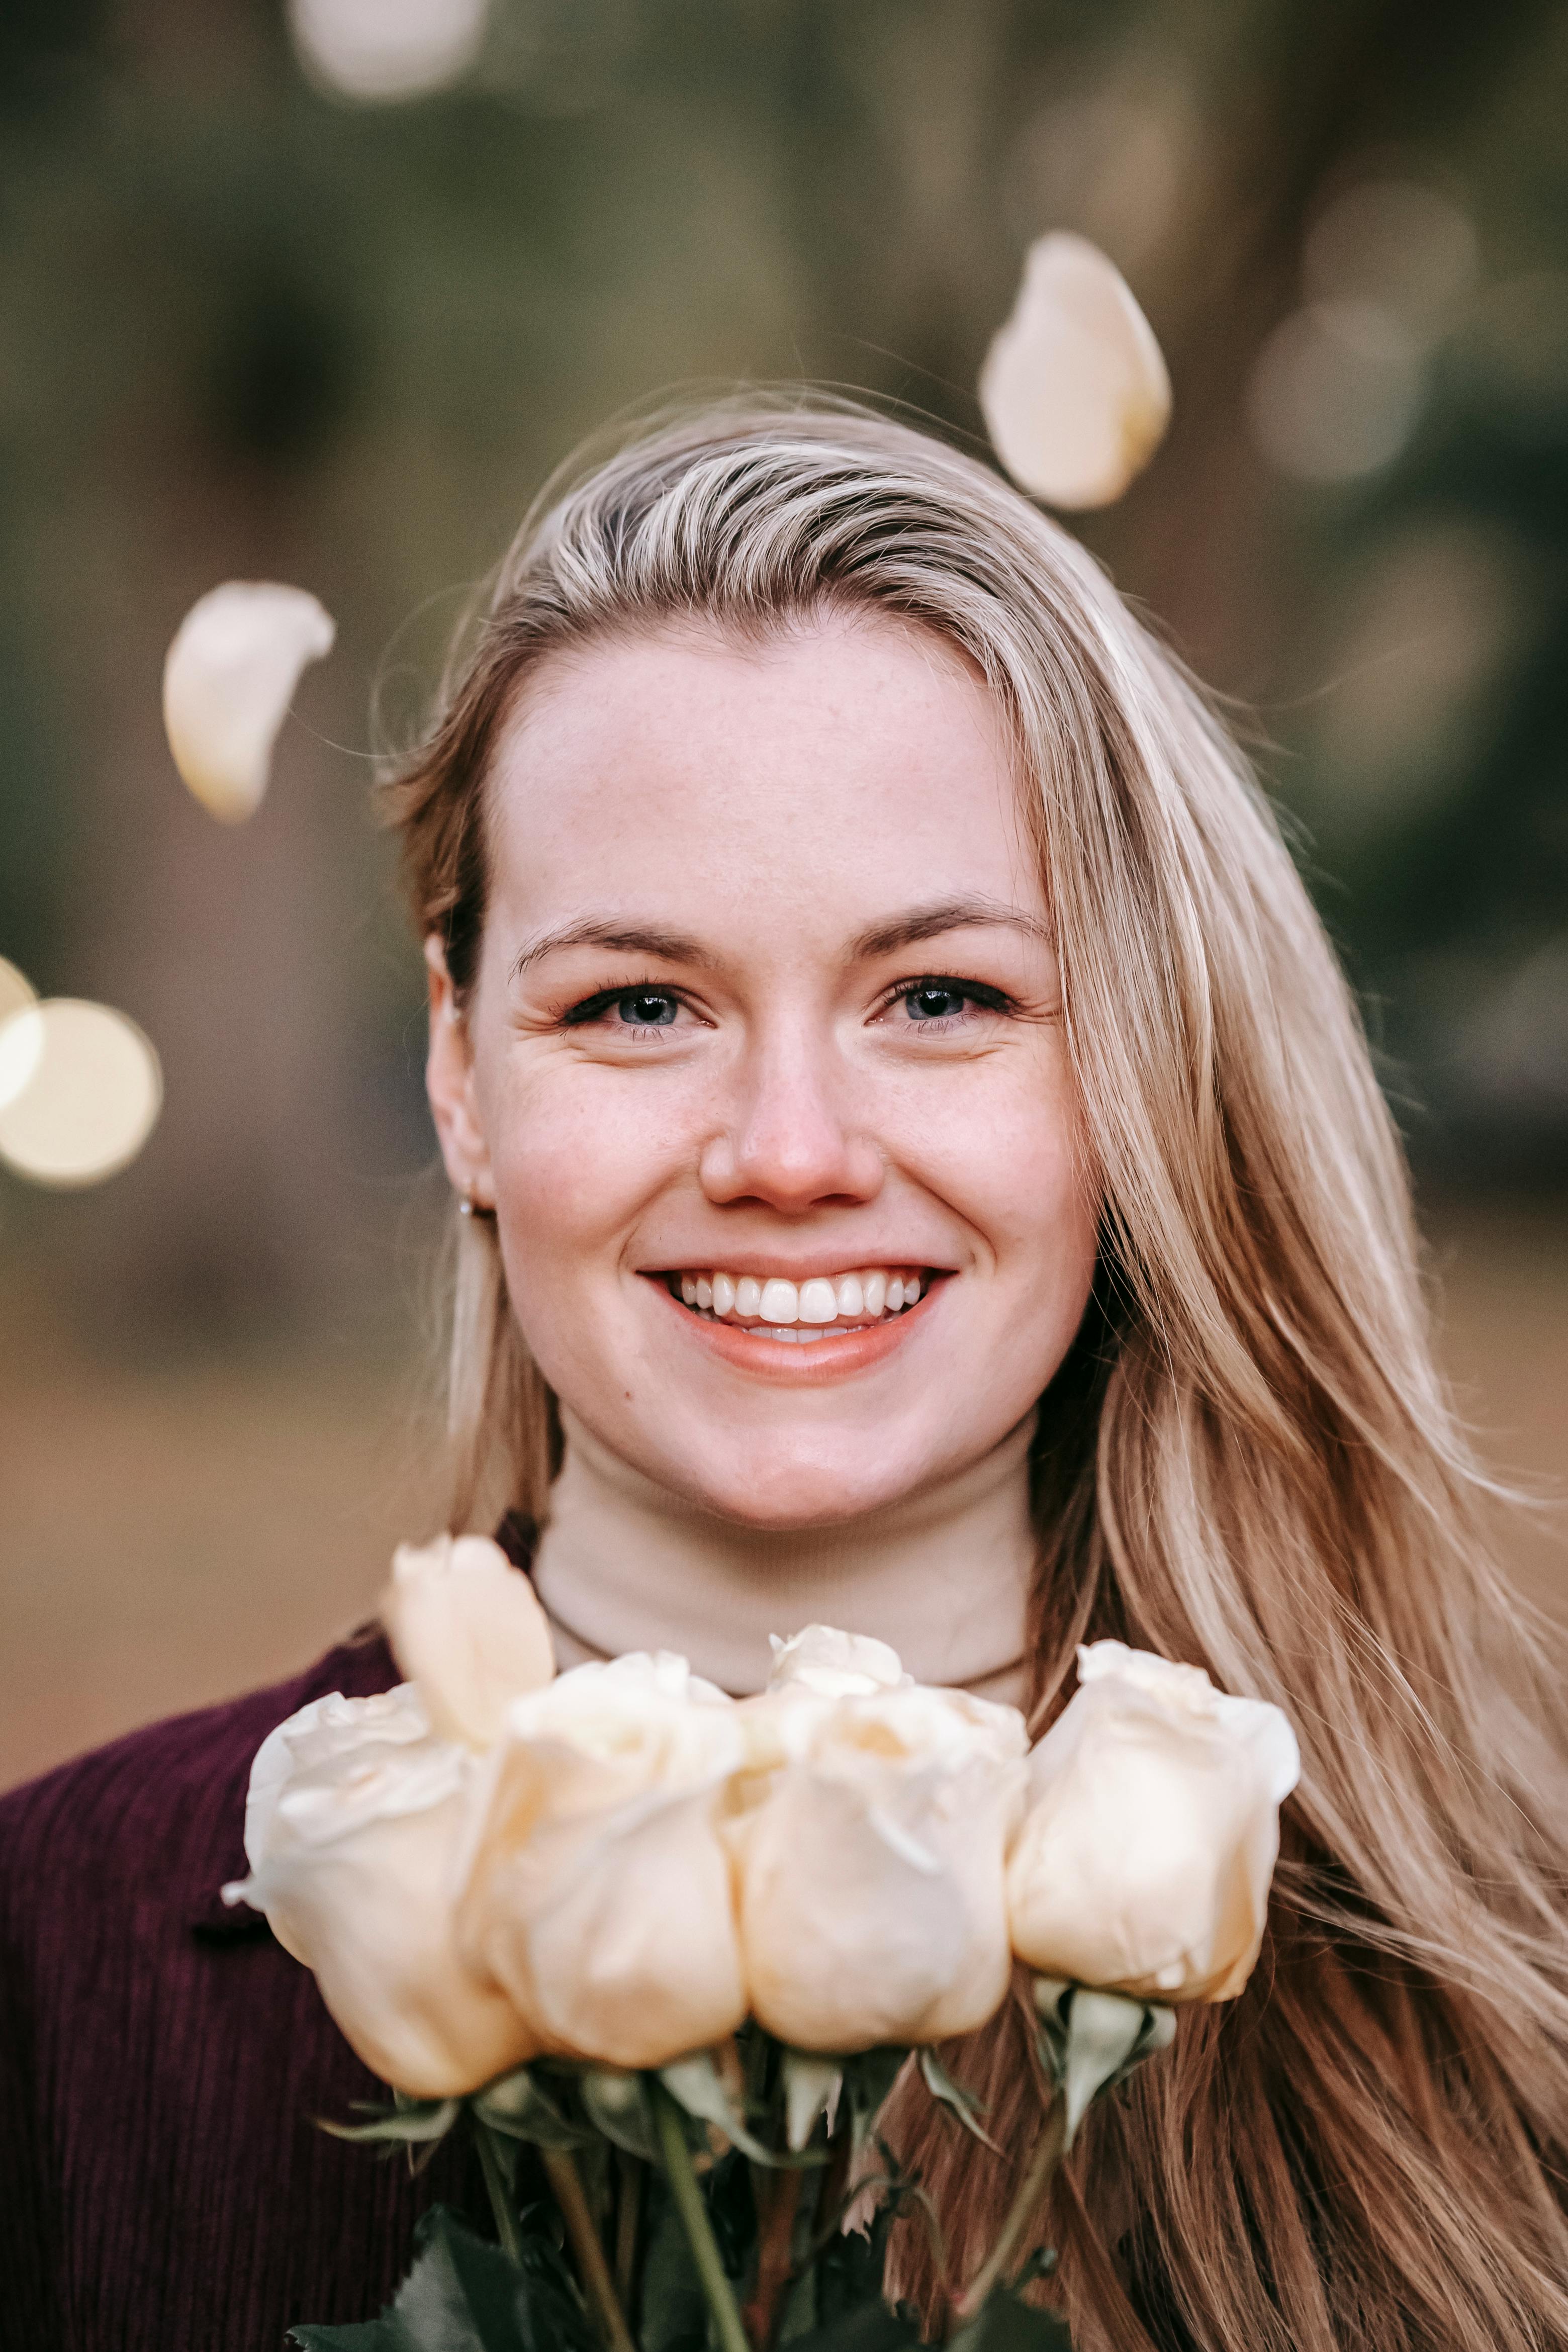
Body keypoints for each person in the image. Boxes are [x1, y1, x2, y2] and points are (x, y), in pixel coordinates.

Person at [2, 401, 1564, 2352]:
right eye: (639, 1004)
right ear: (459, 1073)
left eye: (943, 998)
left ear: (1143, 1074)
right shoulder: (48, 1982)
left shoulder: (1516, 1968)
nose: (792, 1149)